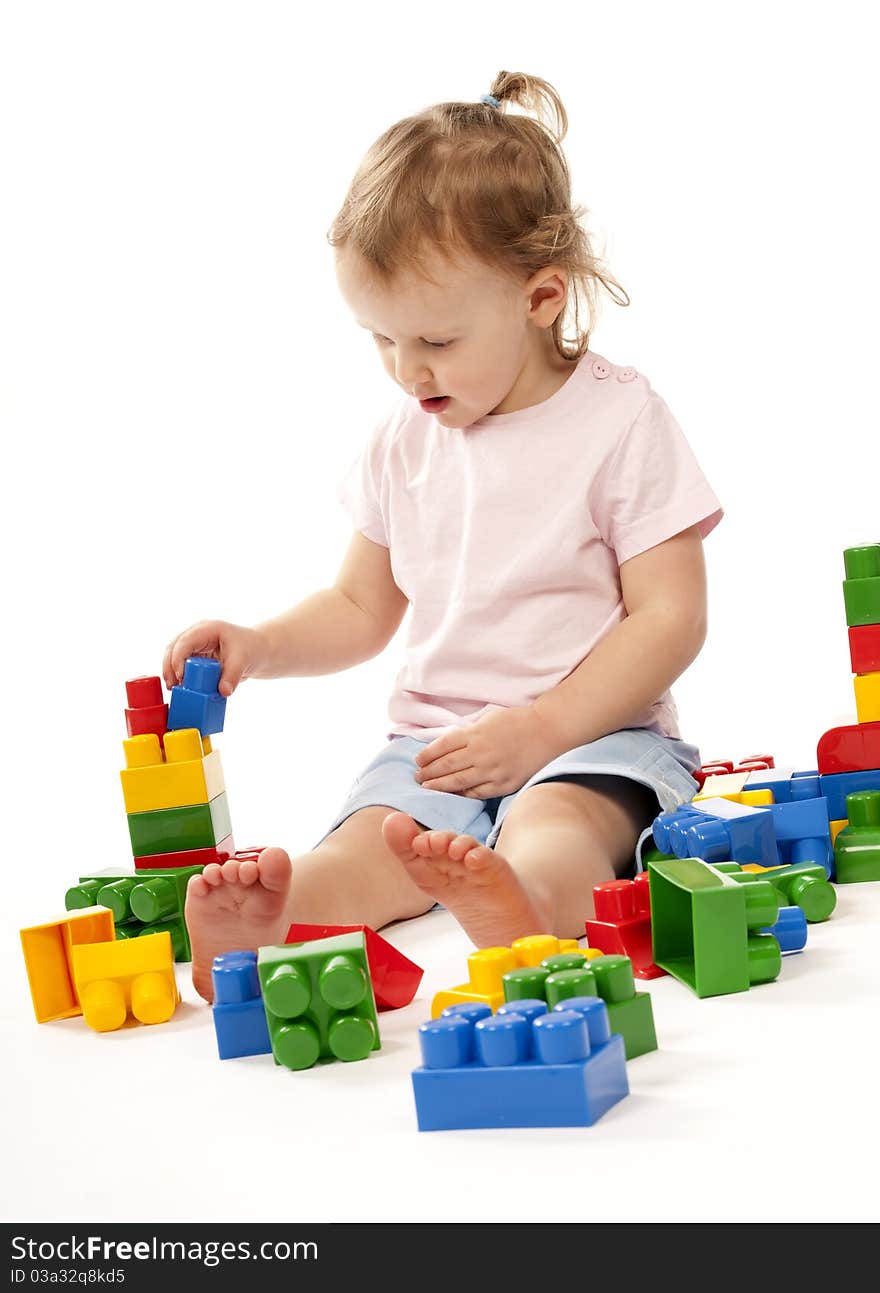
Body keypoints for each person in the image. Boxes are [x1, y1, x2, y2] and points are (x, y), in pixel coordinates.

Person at [163, 71, 723, 1003]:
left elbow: (671, 618)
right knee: (370, 846)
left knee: (558, 829)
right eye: (379, 340)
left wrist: (543, 727)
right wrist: (261, 645)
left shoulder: (620, 423)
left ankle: (526, 905)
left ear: (541, 297)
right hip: (436, 744)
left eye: (433, 341)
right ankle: (279, 912)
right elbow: (358, 606)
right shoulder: (403, 439)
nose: (405, 369)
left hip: (595, 738)